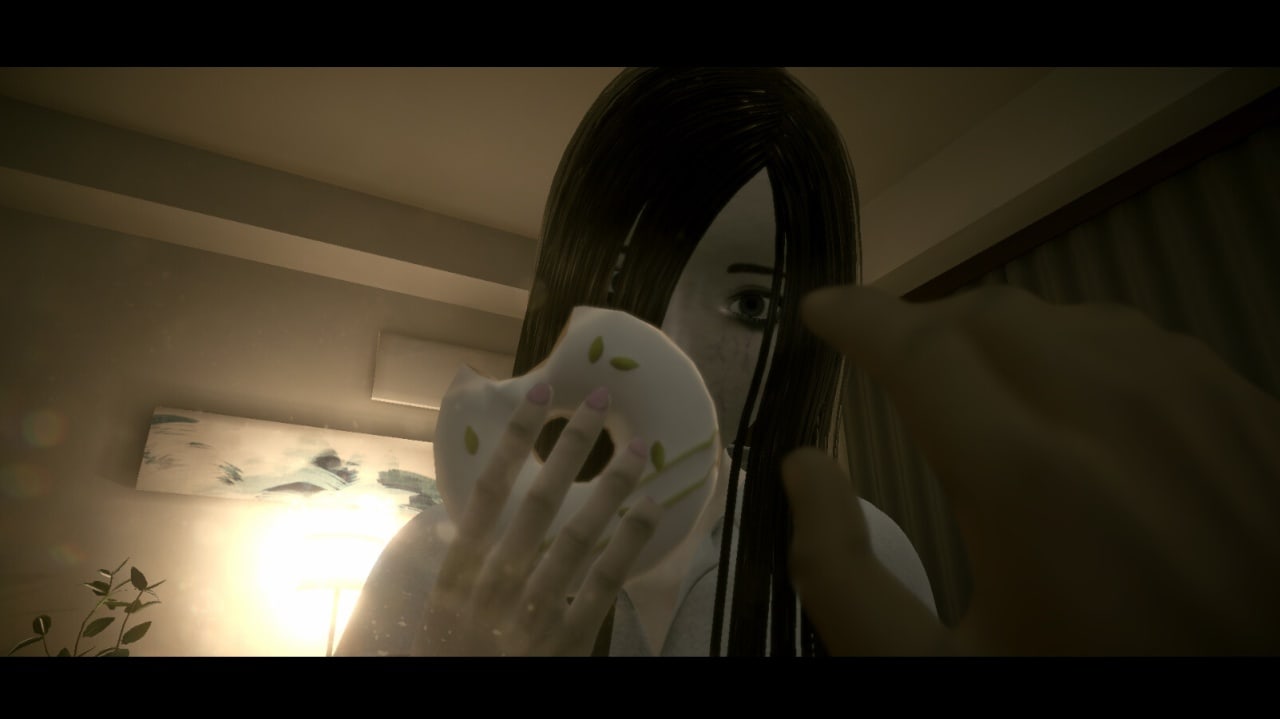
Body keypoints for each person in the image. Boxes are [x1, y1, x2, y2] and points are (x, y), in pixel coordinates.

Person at [337, 67, 934, 656]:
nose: (673, 344)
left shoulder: (865, 559)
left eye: (751, 304)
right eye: (626, 282)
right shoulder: (432, 560)